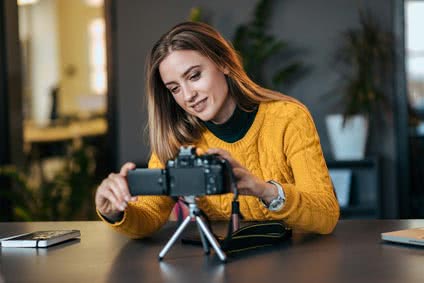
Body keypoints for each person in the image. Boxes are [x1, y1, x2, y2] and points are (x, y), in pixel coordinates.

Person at [95, 21, 340, 239]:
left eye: (194, 76)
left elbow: (326, 215)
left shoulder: (288, 118)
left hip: (295, 263)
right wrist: (114, 210)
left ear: (223, 63)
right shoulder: (177, 140)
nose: (188, 96)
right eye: (174, 88)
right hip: (218, 264)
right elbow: (148, 215)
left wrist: (263, 190)